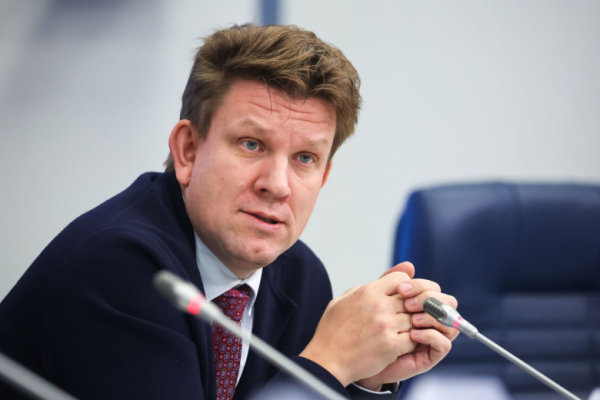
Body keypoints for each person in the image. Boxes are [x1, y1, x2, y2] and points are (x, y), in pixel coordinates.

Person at [0, 24, 458, 399]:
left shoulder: (299, 277)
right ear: (187, 150)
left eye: (304, 158)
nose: (277, 185)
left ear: (323, 177)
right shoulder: (119, 266)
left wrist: (363, 379)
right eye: (251, 144)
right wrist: (330, 363)